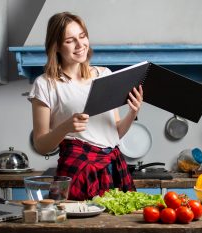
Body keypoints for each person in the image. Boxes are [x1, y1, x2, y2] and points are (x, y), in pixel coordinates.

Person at [28, 12, 144, 201]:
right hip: (77, 168)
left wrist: (133, 111)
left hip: (113, 166)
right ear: (56, 46)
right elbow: (41, 145)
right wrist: (66, 127)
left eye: (82, 36)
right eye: (70, 40)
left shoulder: (104, 75)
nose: (80, 45)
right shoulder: (45, 84)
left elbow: (116, 133)